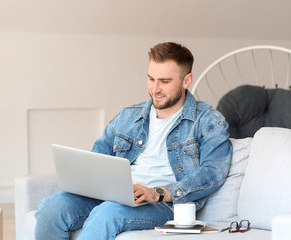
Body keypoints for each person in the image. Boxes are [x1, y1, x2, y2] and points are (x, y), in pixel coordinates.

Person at [35, 42, 232, 240]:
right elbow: (98, 158)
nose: (155, 89)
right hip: (116, 195)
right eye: (151, 79)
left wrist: (158, 192)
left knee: (108, 213)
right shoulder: (128, 116)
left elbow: (212, 173)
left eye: (164, 81)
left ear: (186, 80)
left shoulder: (208, 121)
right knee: (51, 207)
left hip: (162, 205)